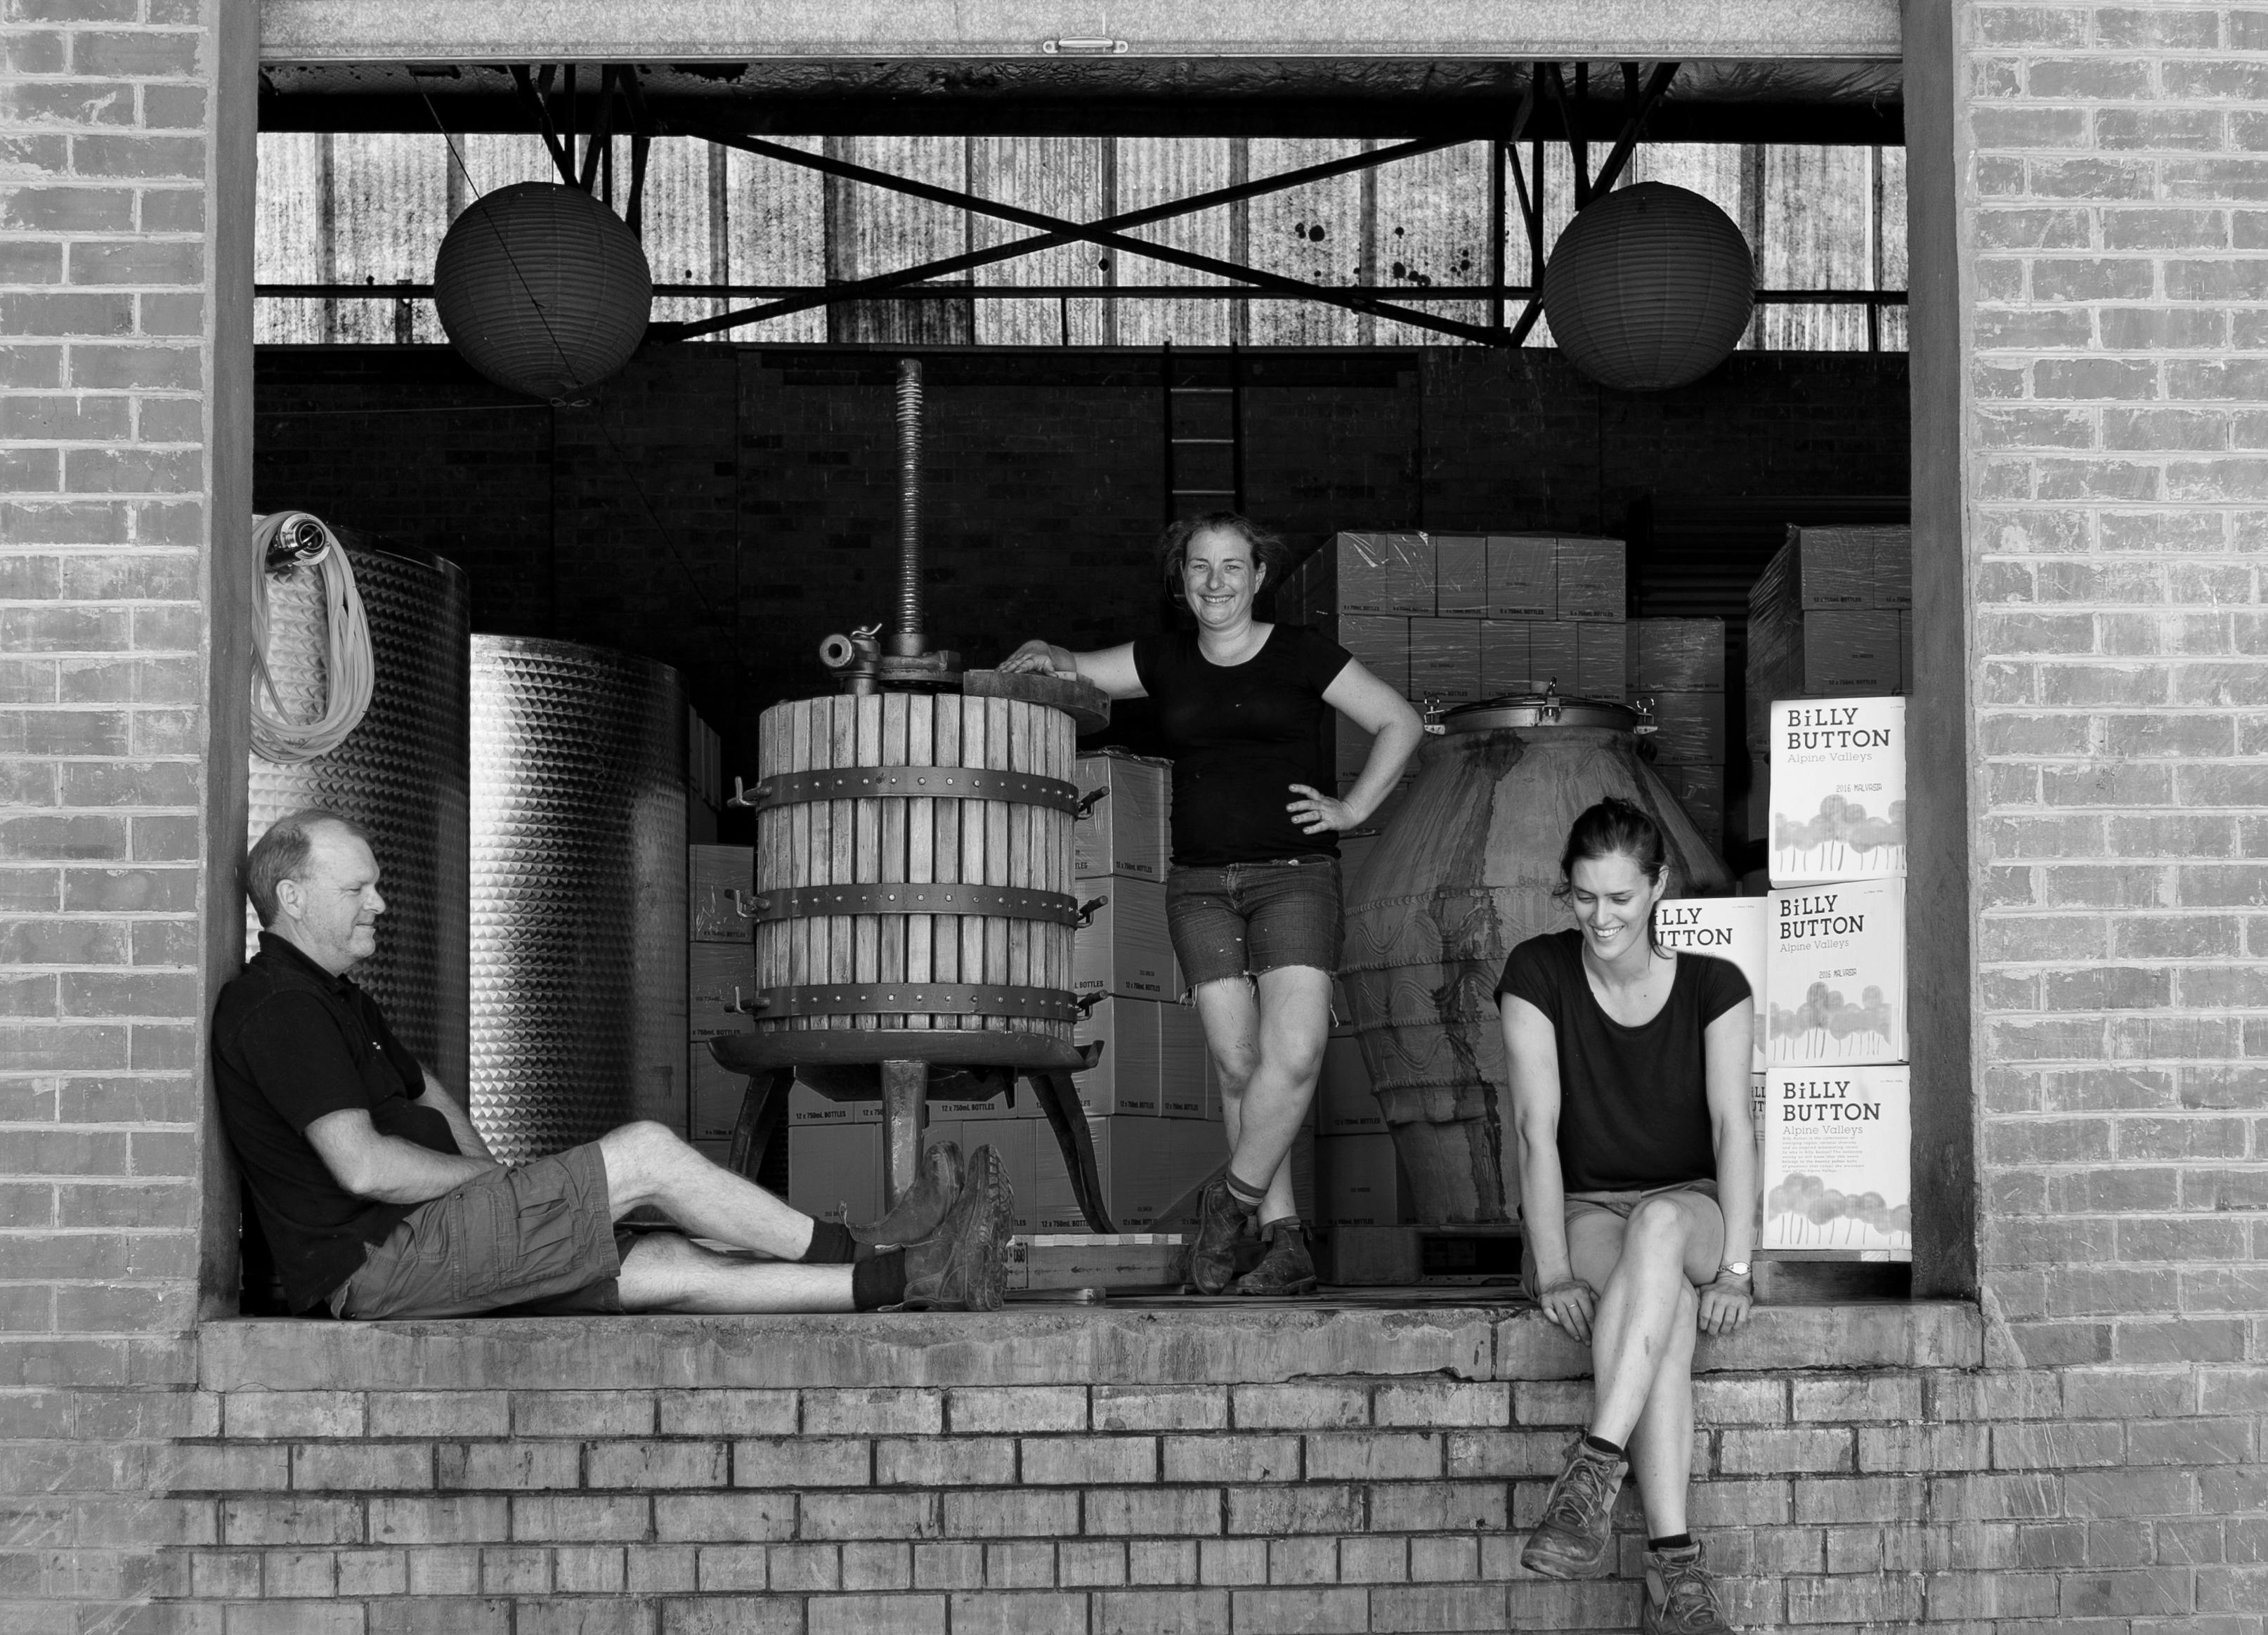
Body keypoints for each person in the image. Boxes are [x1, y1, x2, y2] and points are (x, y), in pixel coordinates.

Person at [212, 808, 1008, 1322]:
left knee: (665, 1268)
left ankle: (910, 1279)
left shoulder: (333, 996)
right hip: (382, 1263)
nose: (380, 904)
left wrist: (494, 1183)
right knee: (645, 1155)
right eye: (358, 888)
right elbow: (362, 1168)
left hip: (430, 1237)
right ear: (293, 895)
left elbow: (423, 1085)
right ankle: (866, 1245)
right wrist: (493, 1189)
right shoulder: (279, 1007)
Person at [1001, 513, 1422, 1295]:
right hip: (1198, 885)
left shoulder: (1301, 653)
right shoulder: (1160, 659)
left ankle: (1225, 1207)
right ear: (1180, 579)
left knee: (1292, 1054)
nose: (1216, 582)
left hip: (1293, 874)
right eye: (1200, 568)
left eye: (1233, 567)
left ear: (1258, 577)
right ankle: (1283, 1241)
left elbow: (1397, 720)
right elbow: (1075, 667)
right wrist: (1045, 650)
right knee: (1238, 1068)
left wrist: (1353, 810)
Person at [1494, 797, 1759, 1635]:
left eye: (1618, 898)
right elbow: (1537, 1129)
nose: (1600, 919)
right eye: (1581, 898)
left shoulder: (1715, 985)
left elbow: (1733, 1131)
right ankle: (1674, 1577)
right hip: (1587, 1209)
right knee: (1665, 1320)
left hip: (1688, 1208)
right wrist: (1553, 1265)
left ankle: (1592, 1469)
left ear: (1656, 888)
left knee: (1661, 1234)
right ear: (1563, 893)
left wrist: (1735, 1268)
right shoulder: (1536, 972)